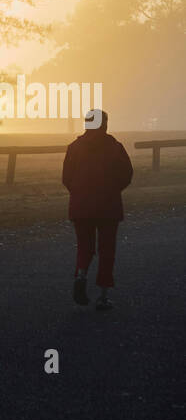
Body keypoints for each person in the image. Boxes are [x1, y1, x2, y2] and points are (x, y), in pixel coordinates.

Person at [62, 108, 133, 310]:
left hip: (81, 206)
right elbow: (127, 174)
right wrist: (112, 189)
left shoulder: (74, 147)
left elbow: (66, 178)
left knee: (85, 247)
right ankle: (103, 296)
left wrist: (79, 192)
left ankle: (82, 275)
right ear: (105, 124)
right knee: (107, 249)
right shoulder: (114, 147)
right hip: (108, 206)